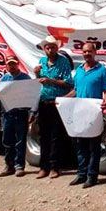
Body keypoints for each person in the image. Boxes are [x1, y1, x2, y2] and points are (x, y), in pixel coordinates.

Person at [67, 42, 106, 188]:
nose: (86, 54)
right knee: (81, 146)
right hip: (79, 114)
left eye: (89, 51)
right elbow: (75, 90)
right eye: (84, 51)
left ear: (95, 52)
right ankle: (81, 174)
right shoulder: (78, 70)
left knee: (94, 146)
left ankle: (92, 177)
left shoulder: (102, 70)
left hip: (94, 113)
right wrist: (63, 99)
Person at [33, 35, 73, 179]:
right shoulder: (42, 61)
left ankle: (55, 167)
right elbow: (38, 81)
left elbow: (68, 83)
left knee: (56, 136)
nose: (50, 49)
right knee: (43, 135)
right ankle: (43, 167)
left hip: (57, 102)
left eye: (53, 47)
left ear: (57, 48)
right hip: (44, 102)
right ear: (44, 49)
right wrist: (37, 74)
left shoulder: (63, 62)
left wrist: (51, 81)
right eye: (47, 47)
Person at [0, 55, 32, 177]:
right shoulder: (4, 79)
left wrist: (32, 111)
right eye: (9, 64)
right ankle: (9, 166)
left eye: (13, 64)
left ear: (17, 64)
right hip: (7, 114)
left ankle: (19, 166)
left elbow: (31, 94)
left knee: (20, 141)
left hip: (20, 113)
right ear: (6, 65)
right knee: (7, 141)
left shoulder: (25, 78)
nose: (11, 66)